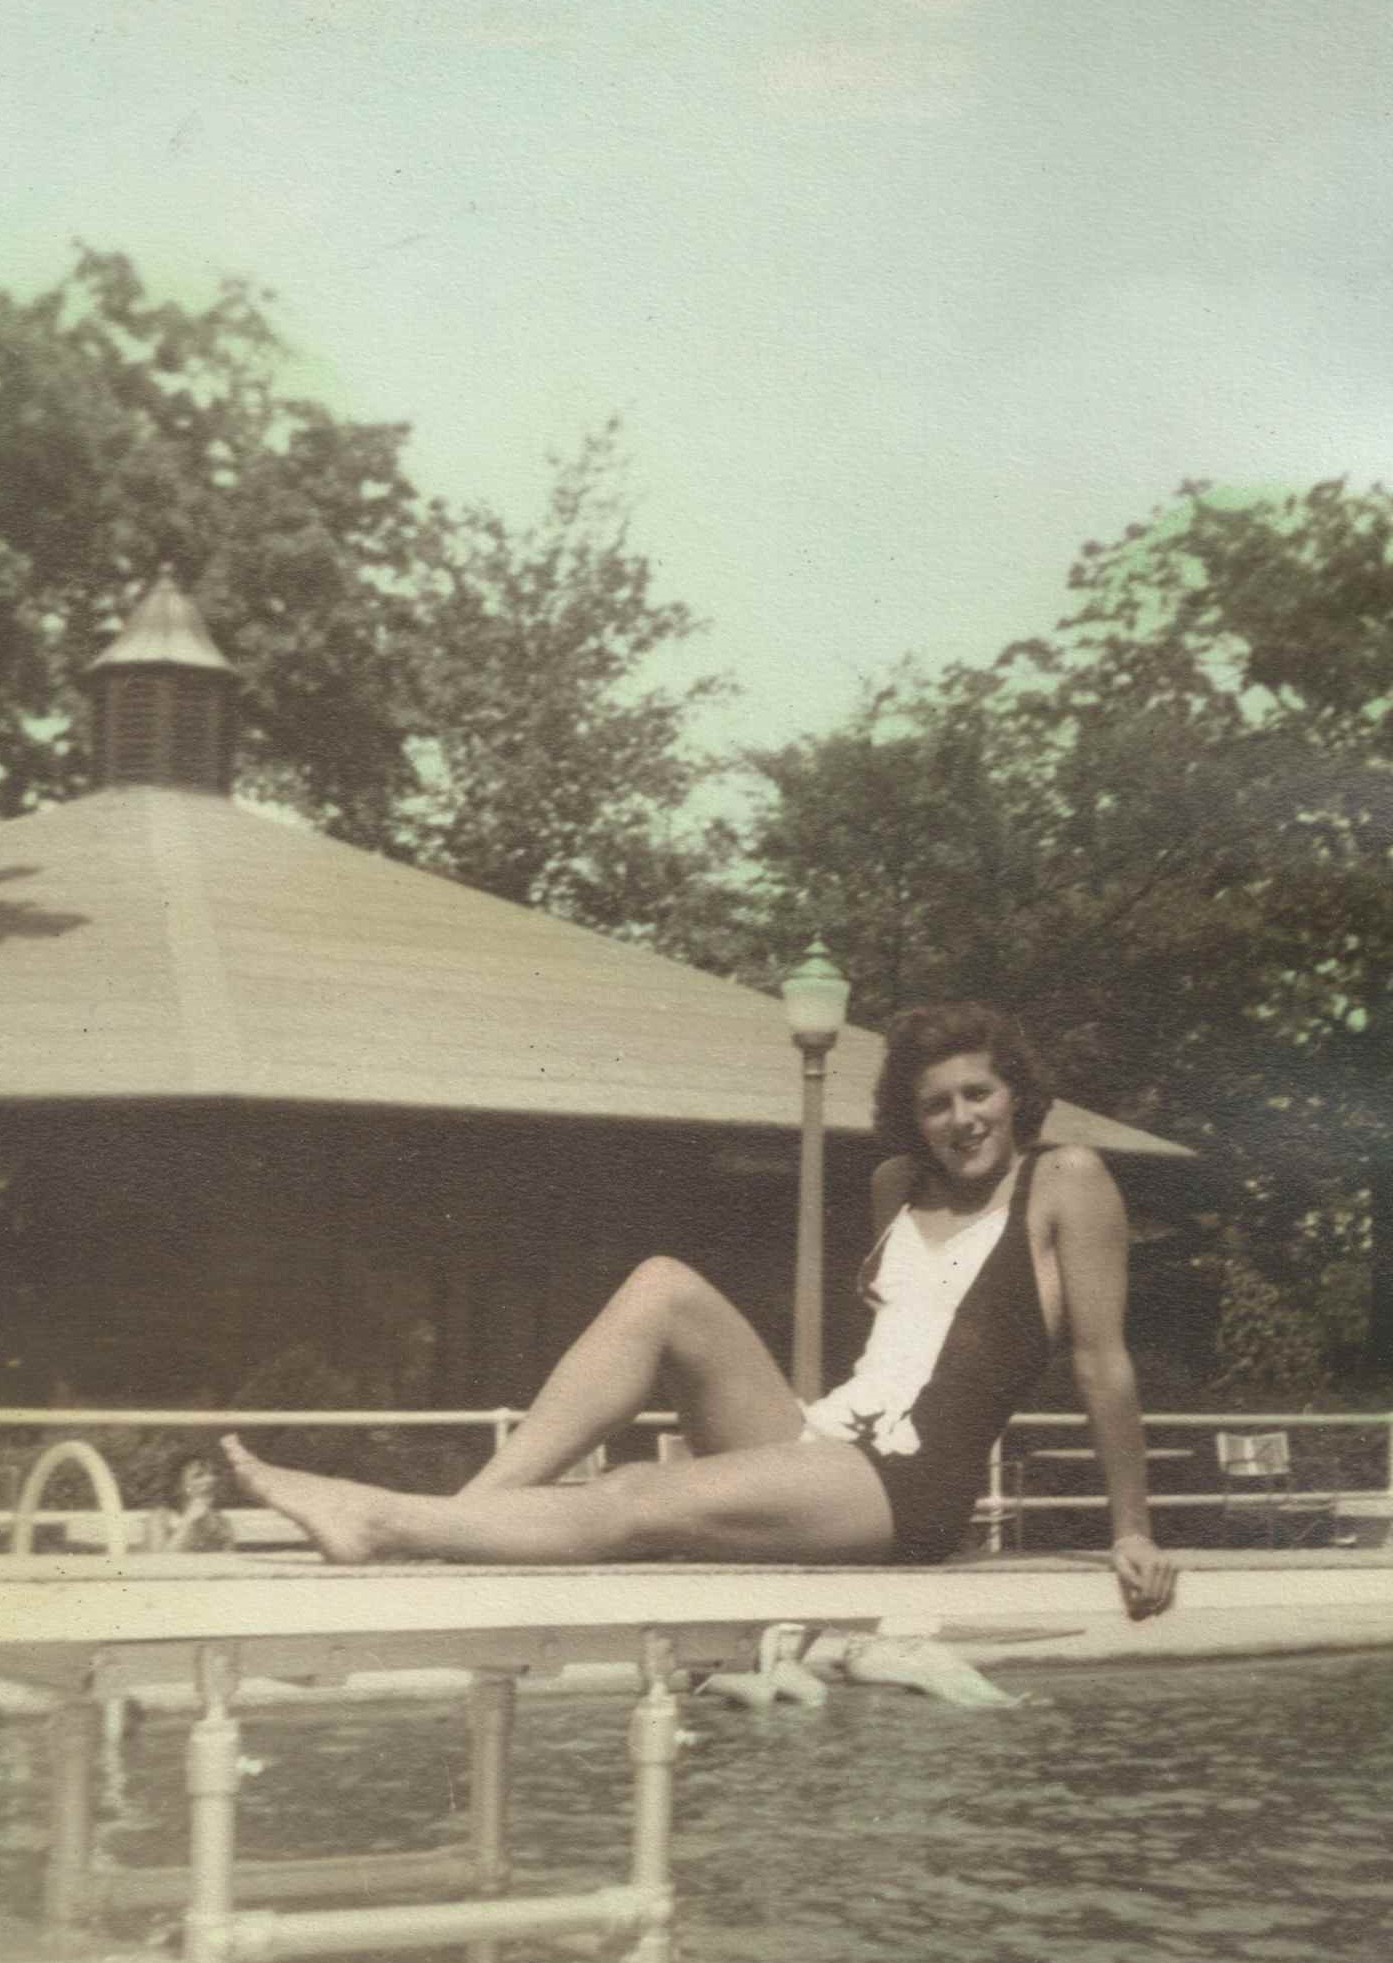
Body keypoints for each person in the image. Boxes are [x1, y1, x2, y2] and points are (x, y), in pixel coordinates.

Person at [224, 1003, 1175, 1618]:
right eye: (936, 1103)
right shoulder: (897, 1185)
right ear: (911, 1115)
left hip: (908, 1490)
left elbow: (1102, 1365)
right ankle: (464, 1520)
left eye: (980, 1093)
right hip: (824, 1442)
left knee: (639, 1495)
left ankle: (387, 1526)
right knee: (662, 1285)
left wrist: (1129, 1527)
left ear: (1016, 1097)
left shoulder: (1067, 1181)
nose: (961, 1118)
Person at [150, 1450, 237, 1553]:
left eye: (214, 1473)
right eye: (198, 1475)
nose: (211, 1479)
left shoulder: (222, 1523)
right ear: (178, 1486)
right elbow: (158, 1564)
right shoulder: (160, 1519)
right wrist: (188, 1521)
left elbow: (228, 1563)